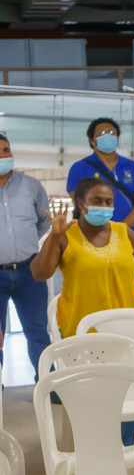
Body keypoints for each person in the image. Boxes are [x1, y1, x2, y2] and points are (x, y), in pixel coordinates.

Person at [31, 177, 134, 445]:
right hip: (81, 337)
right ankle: (98, 449)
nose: (104, 207)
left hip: (126, 336)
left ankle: (128, 449)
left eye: (109, 202)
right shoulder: (66, 237)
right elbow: (40, 273)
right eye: (97, 201)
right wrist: (54, 237)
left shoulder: (125, 232)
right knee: (94, 401)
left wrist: (115, 287)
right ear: (81, 204)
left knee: (127, 396)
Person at [66, 117, 134, 304]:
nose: (108, 136)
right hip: (90, 242)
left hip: (128, 238)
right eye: (101, 133)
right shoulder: (79, 168)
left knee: (132, 294)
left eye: (112, 133)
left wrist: (118, 231)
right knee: (93, 293)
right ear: (91, 140)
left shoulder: (133, 167)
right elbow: (80, 204)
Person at [0, 133, 51, 382]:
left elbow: (43, 223)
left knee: (37, 333)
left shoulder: (32, 186)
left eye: (6, 150)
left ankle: (47, 385)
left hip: (31, 271)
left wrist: (26, 242)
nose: (3, 156)